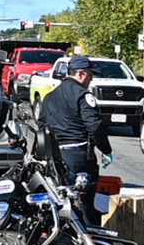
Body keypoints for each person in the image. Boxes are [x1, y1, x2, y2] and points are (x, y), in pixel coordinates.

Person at [40, 55, 114, 224]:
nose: (91, 79)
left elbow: (42, 126)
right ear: (81, 74)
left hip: (56, 157)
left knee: (63, 199)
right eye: (90, 75)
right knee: (85, 201)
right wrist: (106, 150)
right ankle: (90, 240)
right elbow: (95, 126)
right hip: (79, 155)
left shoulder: (49, 96)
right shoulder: (82, 95)